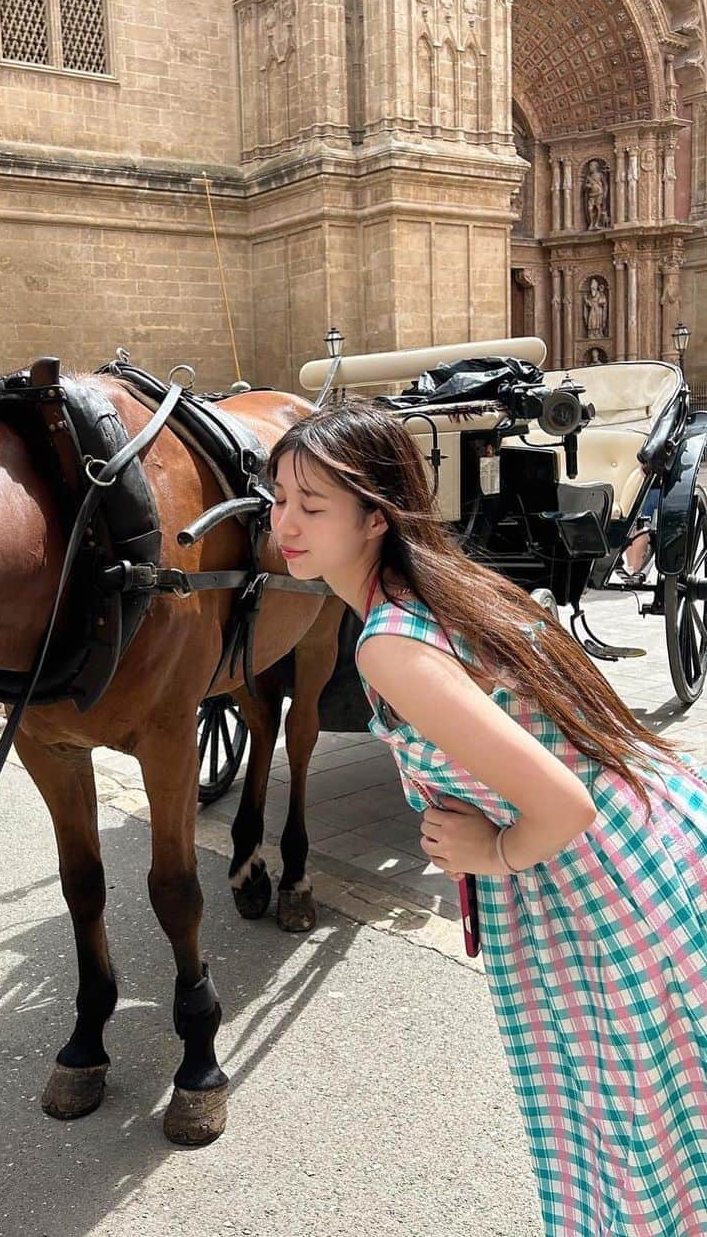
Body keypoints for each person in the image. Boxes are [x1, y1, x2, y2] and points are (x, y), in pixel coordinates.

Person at [268, 400, 706, 1237]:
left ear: (374, 516)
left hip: (597, 895)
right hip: (655, 843)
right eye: (278, 497)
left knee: (628, 1150)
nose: (284, 523)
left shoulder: (389, 643)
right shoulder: (443, 582)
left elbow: (562, 805)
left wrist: (492, 849)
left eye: (312, 505)